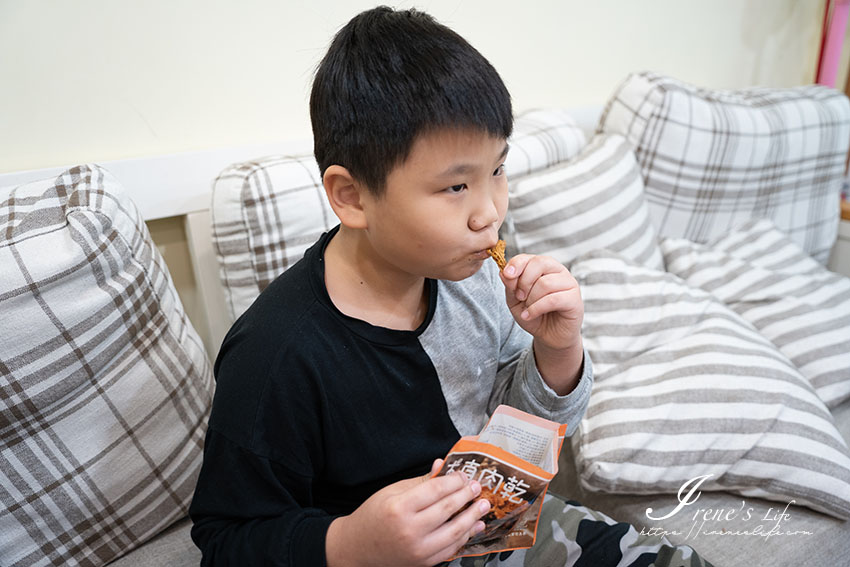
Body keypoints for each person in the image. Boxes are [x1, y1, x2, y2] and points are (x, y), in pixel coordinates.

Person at [189, 6, 712, 567]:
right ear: (352, 197)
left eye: (498, 172)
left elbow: (518, 444)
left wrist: (556, 352)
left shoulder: (473, 279)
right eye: (456, 185)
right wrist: (348, 544)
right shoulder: (276, 353)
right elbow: (226, 539)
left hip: (497, 528)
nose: (489, 214)